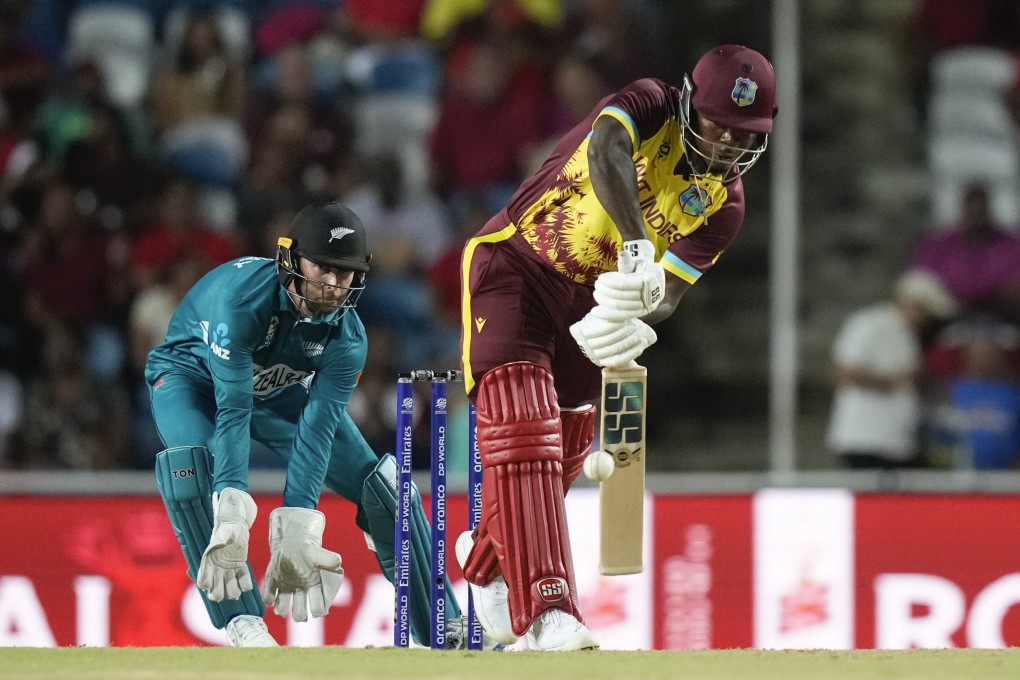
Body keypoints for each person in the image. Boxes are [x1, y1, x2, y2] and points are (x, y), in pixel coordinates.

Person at [456, 44, 777, 650]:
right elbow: (605, 152)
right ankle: (549, 612)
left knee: (565, 453)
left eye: (747, 134)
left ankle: (485, 568)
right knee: (526, 430)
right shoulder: (649, 104)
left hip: (588, 305)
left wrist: (637, 319)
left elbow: (668, 293)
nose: (732, 145)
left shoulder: (725, 206)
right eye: (720, 126)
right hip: (517, 264)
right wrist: (636, 245)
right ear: (688, 101)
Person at [146, 202, 489, 648]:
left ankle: (440, 623)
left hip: (280, 389)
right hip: (193, 380)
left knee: (386, 490)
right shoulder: (242, 302)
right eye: (321, 269)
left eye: (343, 274)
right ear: (289, 260)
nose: (330, 286)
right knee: (188, 475)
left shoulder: (348, 340)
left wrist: (298, 523)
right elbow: (233, 409)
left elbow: (318, 431)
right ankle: (241, 623)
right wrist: (230, 511)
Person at [826, 269, 958, 470]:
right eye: (925, 312)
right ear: (912, 304)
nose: (926, 320)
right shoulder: (868, 323)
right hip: (864, 440)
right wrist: (897, 379)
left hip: (898, 441)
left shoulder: (908, 335)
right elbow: (843, 373)